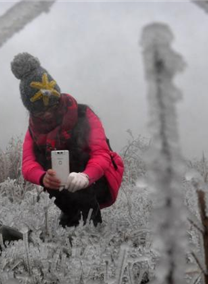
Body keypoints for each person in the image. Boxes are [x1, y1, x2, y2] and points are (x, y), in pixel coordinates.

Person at [11, 53, 124, 227]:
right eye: (40, 111)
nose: (47, 113)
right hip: (62, 188)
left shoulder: (83, 114)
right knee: (48, 164)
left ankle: (90, 223)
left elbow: (101, 153)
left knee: (79, 153)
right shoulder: (34, 129)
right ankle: (70, 217)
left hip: (95, 180)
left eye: (52, 106)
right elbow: (28, 164)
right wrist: (43, 178)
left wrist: (86, 176)